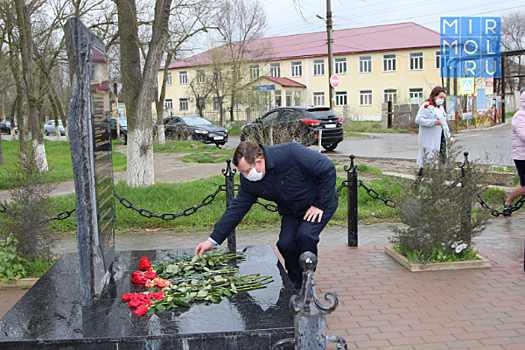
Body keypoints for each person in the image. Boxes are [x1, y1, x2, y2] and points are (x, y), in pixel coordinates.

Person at [195, 141, 338, 289]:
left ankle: (306, 283)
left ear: (258, 161)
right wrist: (213, 240)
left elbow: (327, 168)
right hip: (292, 211)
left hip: (320, 202)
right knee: (285, 244)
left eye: (247, 170)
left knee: (305, 235)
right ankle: (294, 278)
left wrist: (319, 204)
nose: (244, 176)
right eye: (242, 172)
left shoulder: (291, 152)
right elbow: (237, 208)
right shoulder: (249, 180)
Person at [415, 86, 453, 176]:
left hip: (440, 137)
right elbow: (418, 120)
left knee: (441, 159)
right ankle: (419, 181)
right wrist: (433, 122)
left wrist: (449, 137)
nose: (442, 99)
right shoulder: (427, 106)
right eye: (440, 97)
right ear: (434, 96)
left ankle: (439, 182)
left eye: (443, 97)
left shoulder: (440, 108)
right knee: (428, 160)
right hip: (429, 138)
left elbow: (444, 123)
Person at [504, 91, 525, 215]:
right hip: (522, 156)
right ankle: (509, 201)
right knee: (524, 185)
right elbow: (523, 135)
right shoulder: (519, 116)